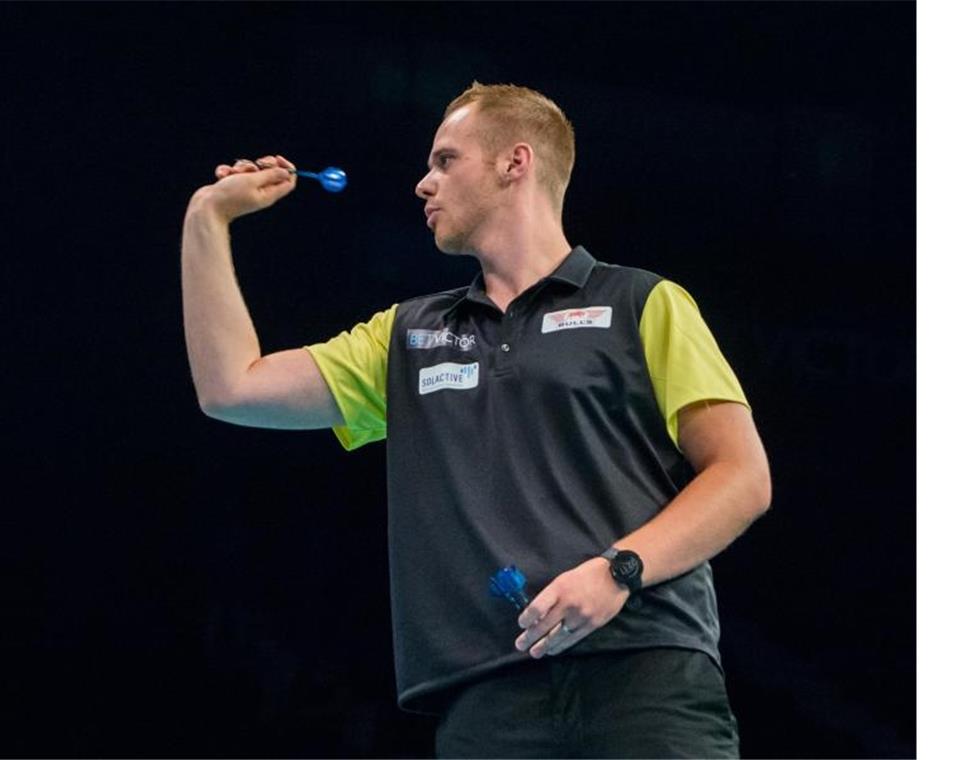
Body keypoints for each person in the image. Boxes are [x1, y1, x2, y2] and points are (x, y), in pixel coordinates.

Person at [181, 82, 771, 758]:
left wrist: (618, 570)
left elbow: (742, 476)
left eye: (445, 160)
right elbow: (230, 388)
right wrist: (207, 219)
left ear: (513, 163)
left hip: (644, 675)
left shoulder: (642, 302)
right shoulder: (407, 336)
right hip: (485, 699)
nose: (422, 183)